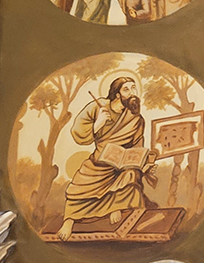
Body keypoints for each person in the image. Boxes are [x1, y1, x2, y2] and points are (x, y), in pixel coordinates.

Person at [57, 77, 156, 240]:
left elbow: (137, 146)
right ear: (117, 94)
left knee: (132, 176)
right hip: (98, 163)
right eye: (126, 89)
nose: (132, 93)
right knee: (77, 190)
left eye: (134, 88)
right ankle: (69, 221)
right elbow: (78, 135)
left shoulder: (136, 119)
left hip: (122, 167)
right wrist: (98, 123)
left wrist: (143, 165)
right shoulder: (97, 107)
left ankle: (116, 206)